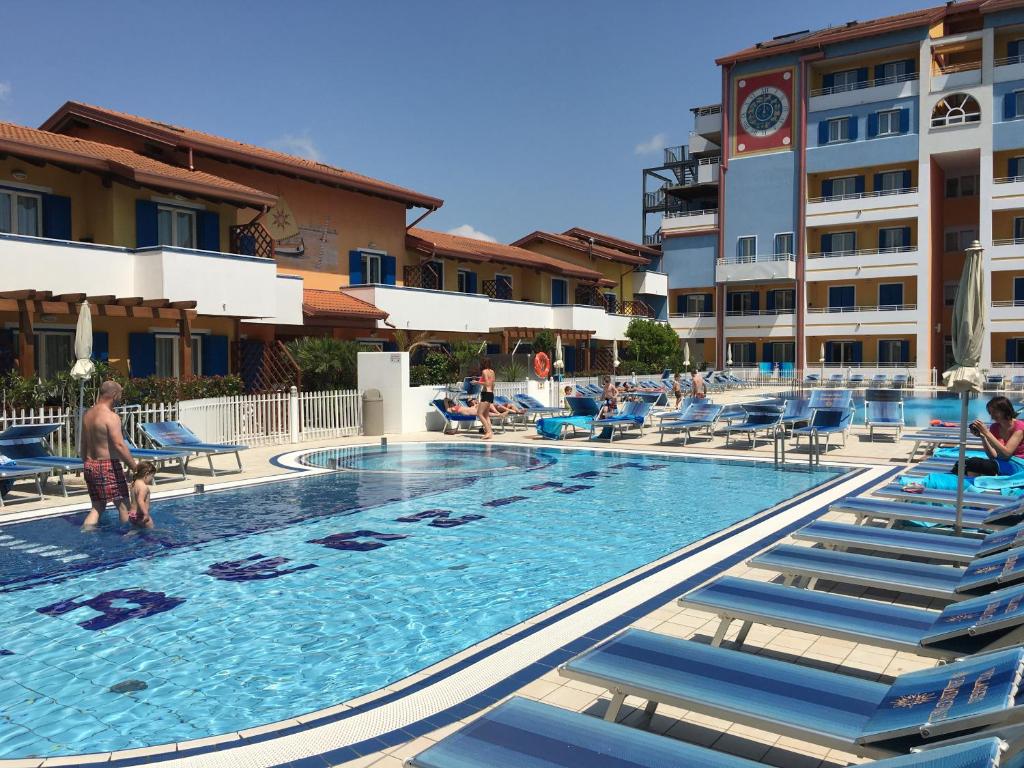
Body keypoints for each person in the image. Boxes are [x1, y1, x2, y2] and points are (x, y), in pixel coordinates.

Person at [80, 380, 138, 528]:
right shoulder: (111, 417)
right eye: (120, 394)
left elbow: (83, 444)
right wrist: (135, 467)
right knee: (124, 505)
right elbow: (119, 445)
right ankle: (129, 537)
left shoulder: (87, 414)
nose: (120, 398)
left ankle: (86, 533)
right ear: (114, 394)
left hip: (89, 464)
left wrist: (86, 464)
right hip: (107, 465)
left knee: (97, 507)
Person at [952, 396, 1024, 477]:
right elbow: (993, 455)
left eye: (995, 412)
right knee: (964, 463)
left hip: (1019, 464)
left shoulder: (1019, 427)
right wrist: (983, 437)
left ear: (1005, 410)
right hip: (1003, 462)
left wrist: (986, 432)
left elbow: (1006, 453)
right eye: (990, 413)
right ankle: (973, 483)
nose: (992, 416)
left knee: (973, 464)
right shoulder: (995, 427)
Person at [128, 461, 156, 529]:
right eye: (152, 476)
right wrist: (146, 514)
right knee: (152, 530)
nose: (152, 478)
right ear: (146, 474)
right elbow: (140, 500)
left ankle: (127, 535)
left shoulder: (133, 483)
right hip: (141, 515)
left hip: (132, 515)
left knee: (136, 529)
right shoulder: (143, 487)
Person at [475, 358, 496, 440]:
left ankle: (488, 432)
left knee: (479, 413)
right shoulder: (492, 372)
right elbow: (493, 384)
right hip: (490, 394)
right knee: (486, 415)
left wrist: (477, 382)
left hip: (486, 394)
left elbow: (487, 383)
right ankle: (489, 432)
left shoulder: (484, 371)